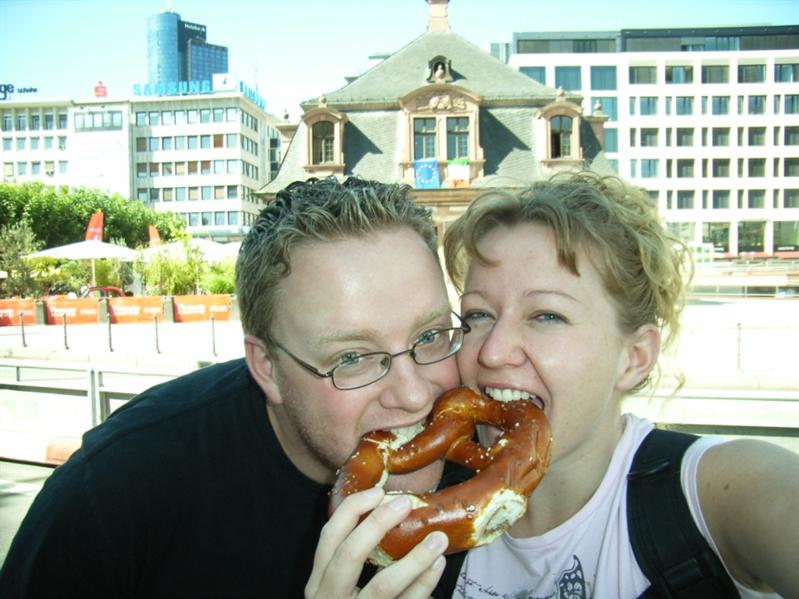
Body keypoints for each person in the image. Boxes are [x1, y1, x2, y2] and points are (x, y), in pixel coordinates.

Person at [0, 177, 468, 598]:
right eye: (351, 358)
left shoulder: (484, 465)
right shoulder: (114, 496)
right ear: (267, 366)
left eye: (430, 335)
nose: (414, 396)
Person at [441, 171, 799, 598]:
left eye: (547, 315)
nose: (493, 352)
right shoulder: (424, 494)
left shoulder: (718, 495)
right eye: (478, 315)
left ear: (635, 357)